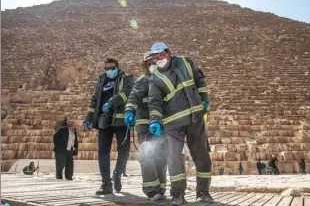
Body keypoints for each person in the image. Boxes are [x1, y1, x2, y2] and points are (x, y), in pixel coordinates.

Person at [147, 42, 213, 204]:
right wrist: (155, 120)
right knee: (174, 159)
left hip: (195, 119)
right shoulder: (155, 79)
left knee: (202, 156)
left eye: (161, 54)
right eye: (155, 57)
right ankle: (177, 194)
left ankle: (203, 192)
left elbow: (199, 80)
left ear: (168, 52)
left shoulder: (186, 62)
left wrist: (204, 100)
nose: (159, 58)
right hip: (173, 124)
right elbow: (154, 103)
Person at [84, 57, 134, 195]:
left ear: (117, 67)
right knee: (102, 152)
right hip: (104, 121)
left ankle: (117, 173)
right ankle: (106, 183)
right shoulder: (101, 80)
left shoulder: (127, 78)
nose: (109, 71)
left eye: (112, 68)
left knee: (124, 150)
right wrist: (89, 117)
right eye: (107, 68)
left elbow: (127, 93)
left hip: (120, 120)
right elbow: (94, 100)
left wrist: (112, 102)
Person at [124, 51, 167, 201]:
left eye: (154, 62)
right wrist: (129, 110)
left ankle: (160, 188)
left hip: (161, 123)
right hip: (145, 123)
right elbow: (134, 96)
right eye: (149, 64)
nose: (152, 66)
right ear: (145, 66)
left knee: (161, 156)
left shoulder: (164, 79)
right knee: (148, 155)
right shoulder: (143, 79)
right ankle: (151, 189)